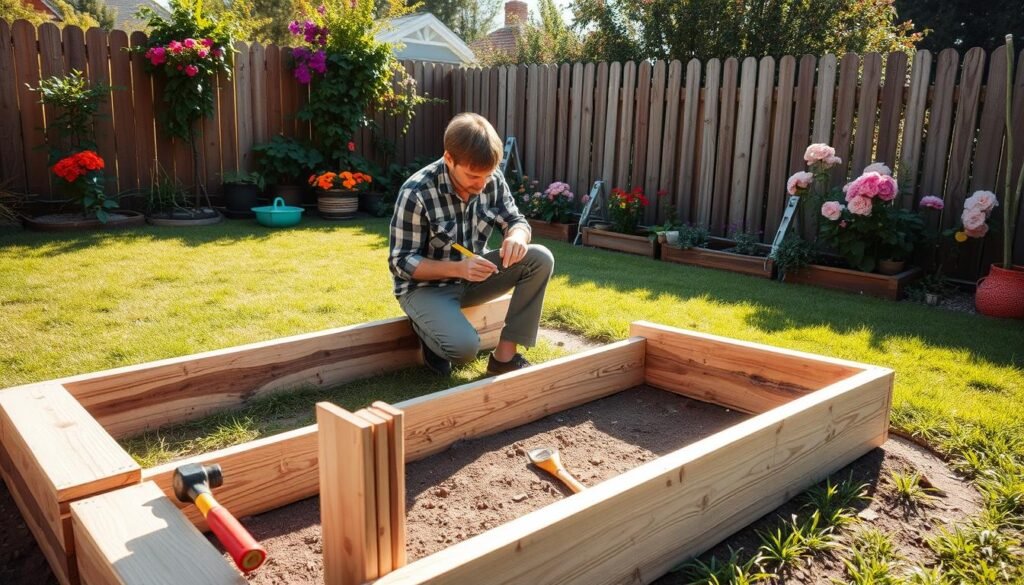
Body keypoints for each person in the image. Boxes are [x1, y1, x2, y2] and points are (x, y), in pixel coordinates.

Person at [388, 113, 554, 376]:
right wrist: (459, 269)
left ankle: (504, 359)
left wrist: (516, 237)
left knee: (540, 258)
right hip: (424, 289)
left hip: (475, 277)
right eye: (473, 176)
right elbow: (401, 263)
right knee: (465, 350)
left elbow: (516, 219)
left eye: (487, 175)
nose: (482, 184)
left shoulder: (492, 179)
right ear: (449, 159)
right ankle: (428, 333)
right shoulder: (416, 192)